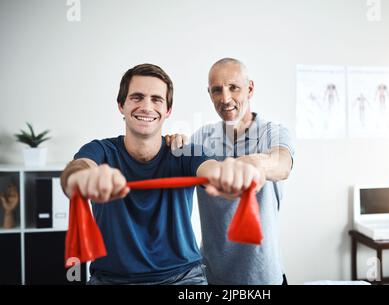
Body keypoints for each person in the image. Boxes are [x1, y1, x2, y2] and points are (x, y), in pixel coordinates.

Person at [60, 63, 264, 285]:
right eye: (137, 97)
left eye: (156, 99)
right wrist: (81, 178)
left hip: (185, 279)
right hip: (111, 279)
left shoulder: (184, 151)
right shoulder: (100, 150)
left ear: (168, 110)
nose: (147, 107)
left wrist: (228, 172)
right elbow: (76, 170)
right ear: (121, 105)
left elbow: (212, 169)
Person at [167, 58, 295, 285]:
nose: (225, 99)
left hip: (263, 277)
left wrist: (254, 163)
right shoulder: (201, 137)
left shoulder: (272, 132)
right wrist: (172, 144)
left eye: (233, 88)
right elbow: (174, 175)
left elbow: (282, 164)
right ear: (209, 93)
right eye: (217, 90)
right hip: (211, 276)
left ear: (250, 88)